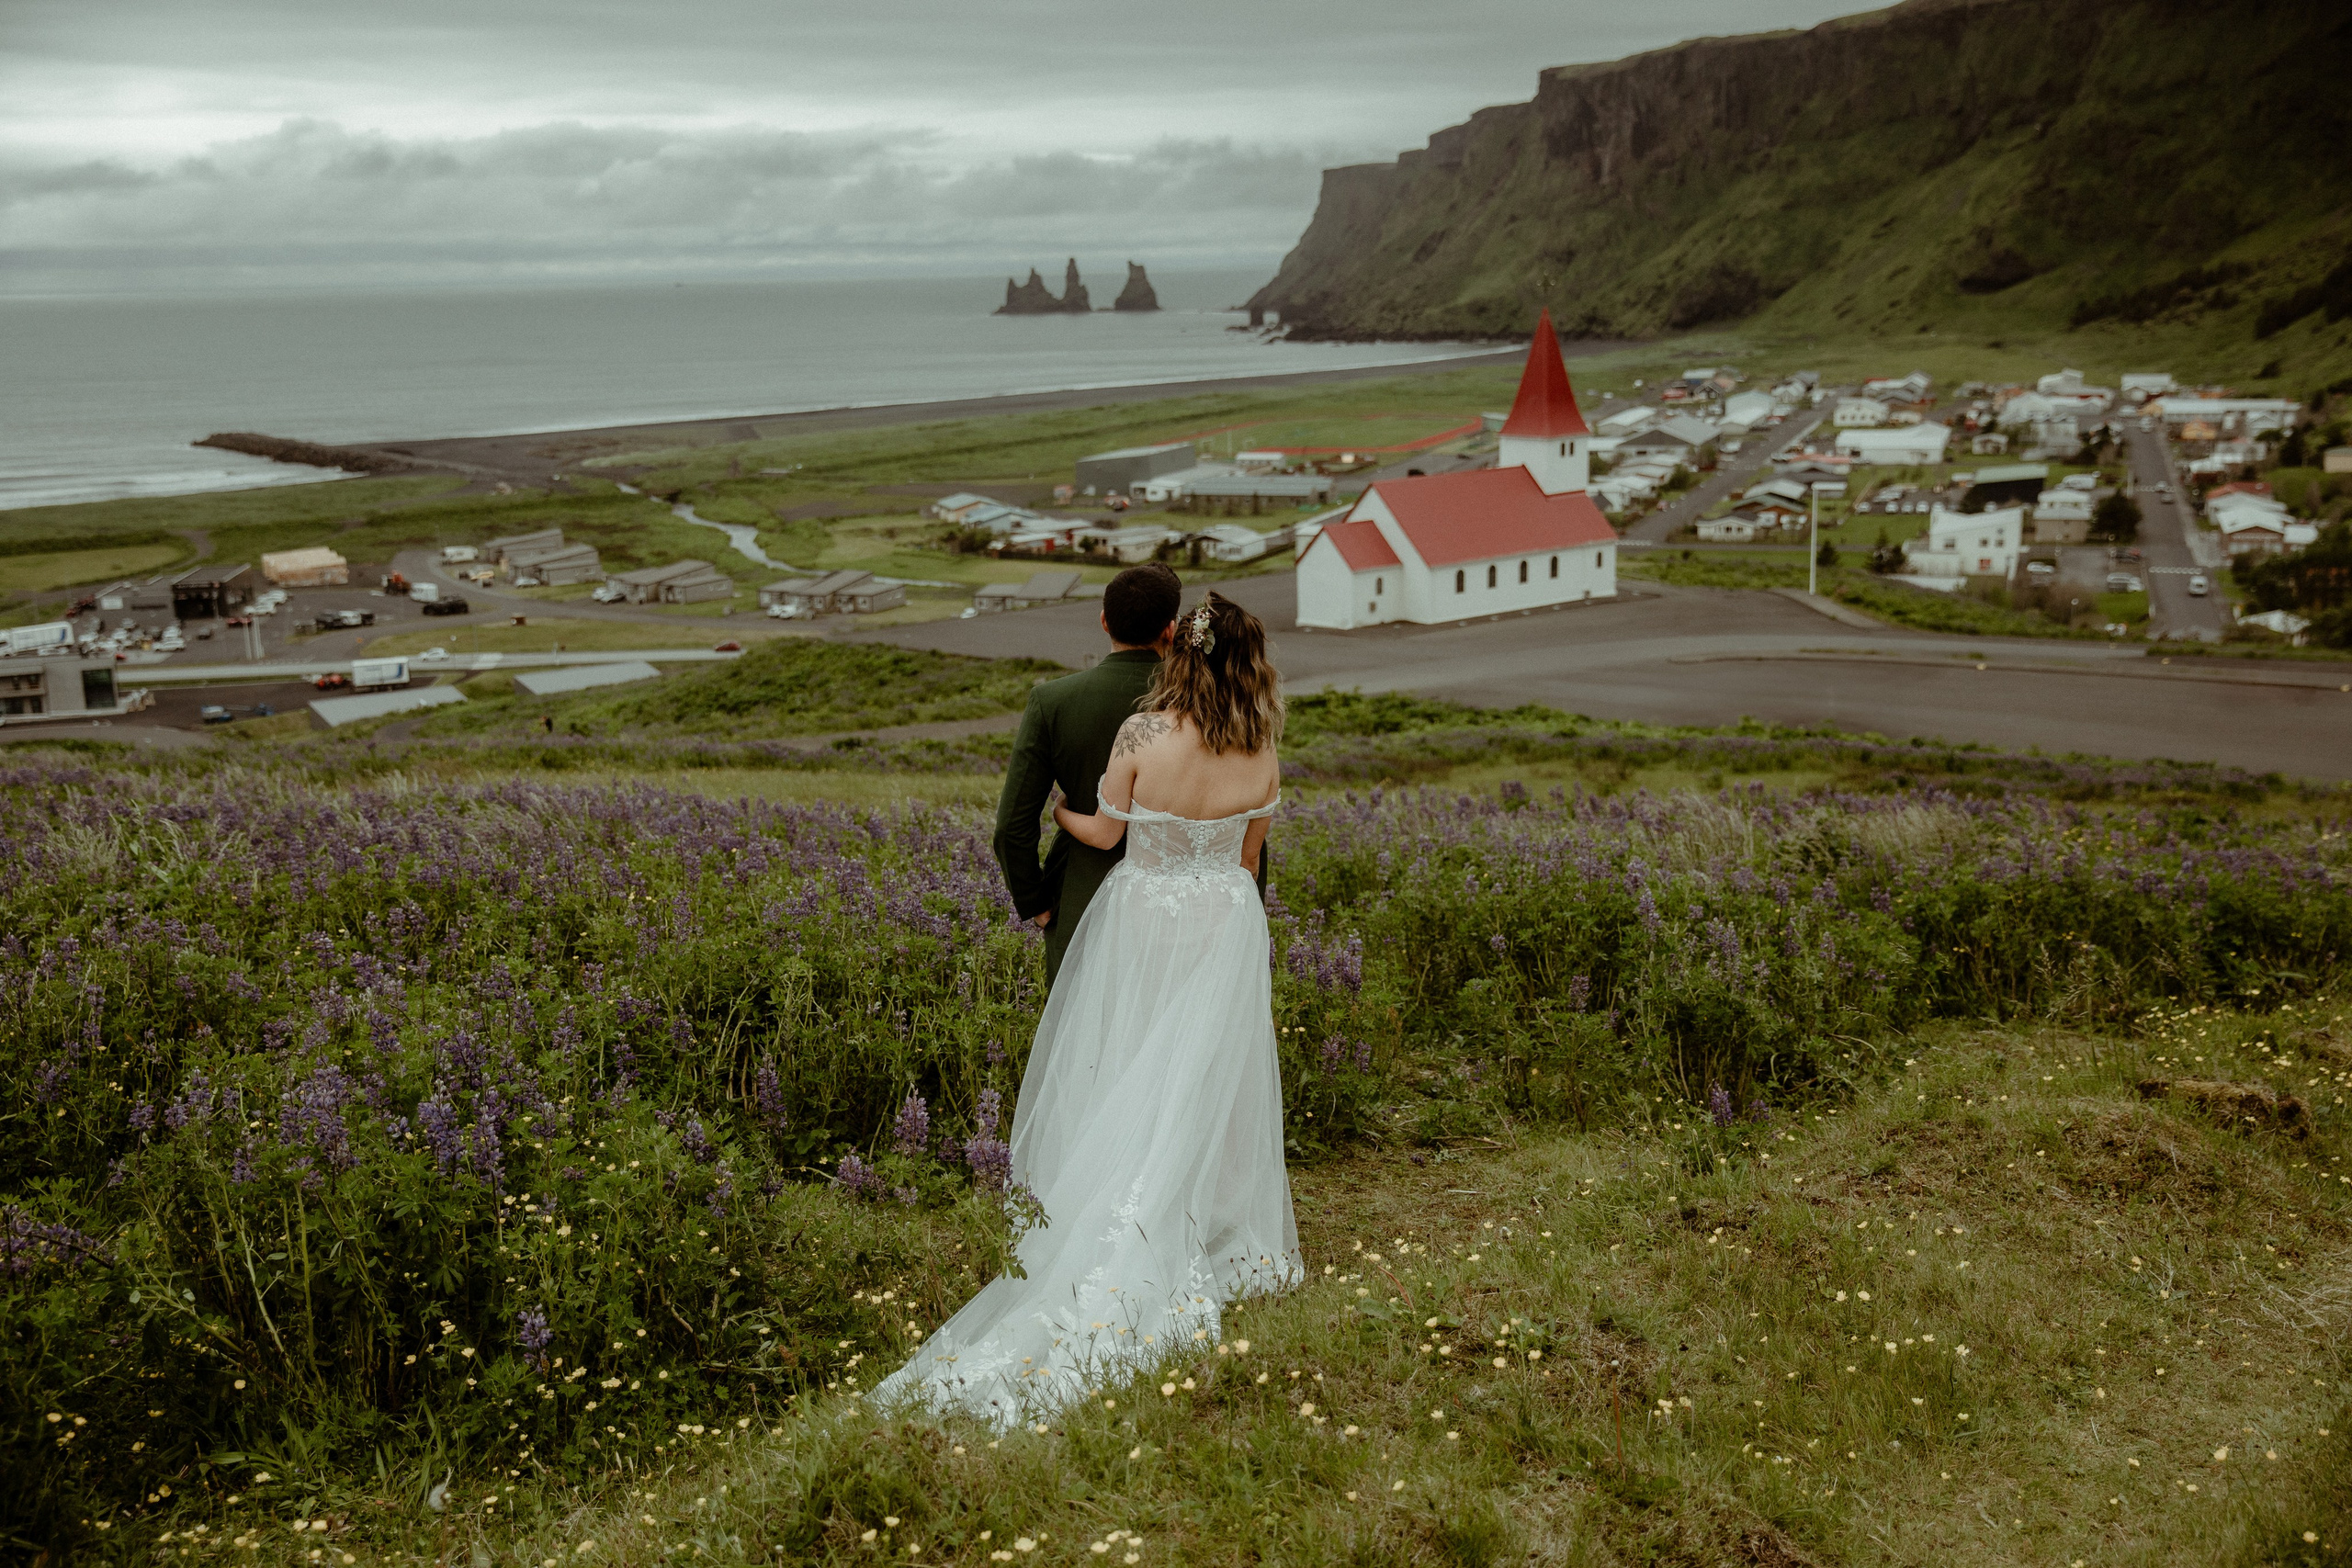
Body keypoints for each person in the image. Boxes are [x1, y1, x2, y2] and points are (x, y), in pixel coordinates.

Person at [876, 590, 1300, 1427]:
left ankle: (1121, 1207)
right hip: (1223, 919)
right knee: (1205, 1073)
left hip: (1143, 914)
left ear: (1180, 650)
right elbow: (1251, 861)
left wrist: (1066, 815)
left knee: (1133, 1059)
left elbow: (1107, 835)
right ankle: (1201, 1213)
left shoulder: (1141, 735)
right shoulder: (1261, 747)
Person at [991, 563, 1182, 987]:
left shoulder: (1053, 701)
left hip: (1081, 892)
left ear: (1104, 621)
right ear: (1170, 630)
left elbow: (1012, 826)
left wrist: (1034, 902)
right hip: (1183, 899)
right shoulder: (1207, 704)